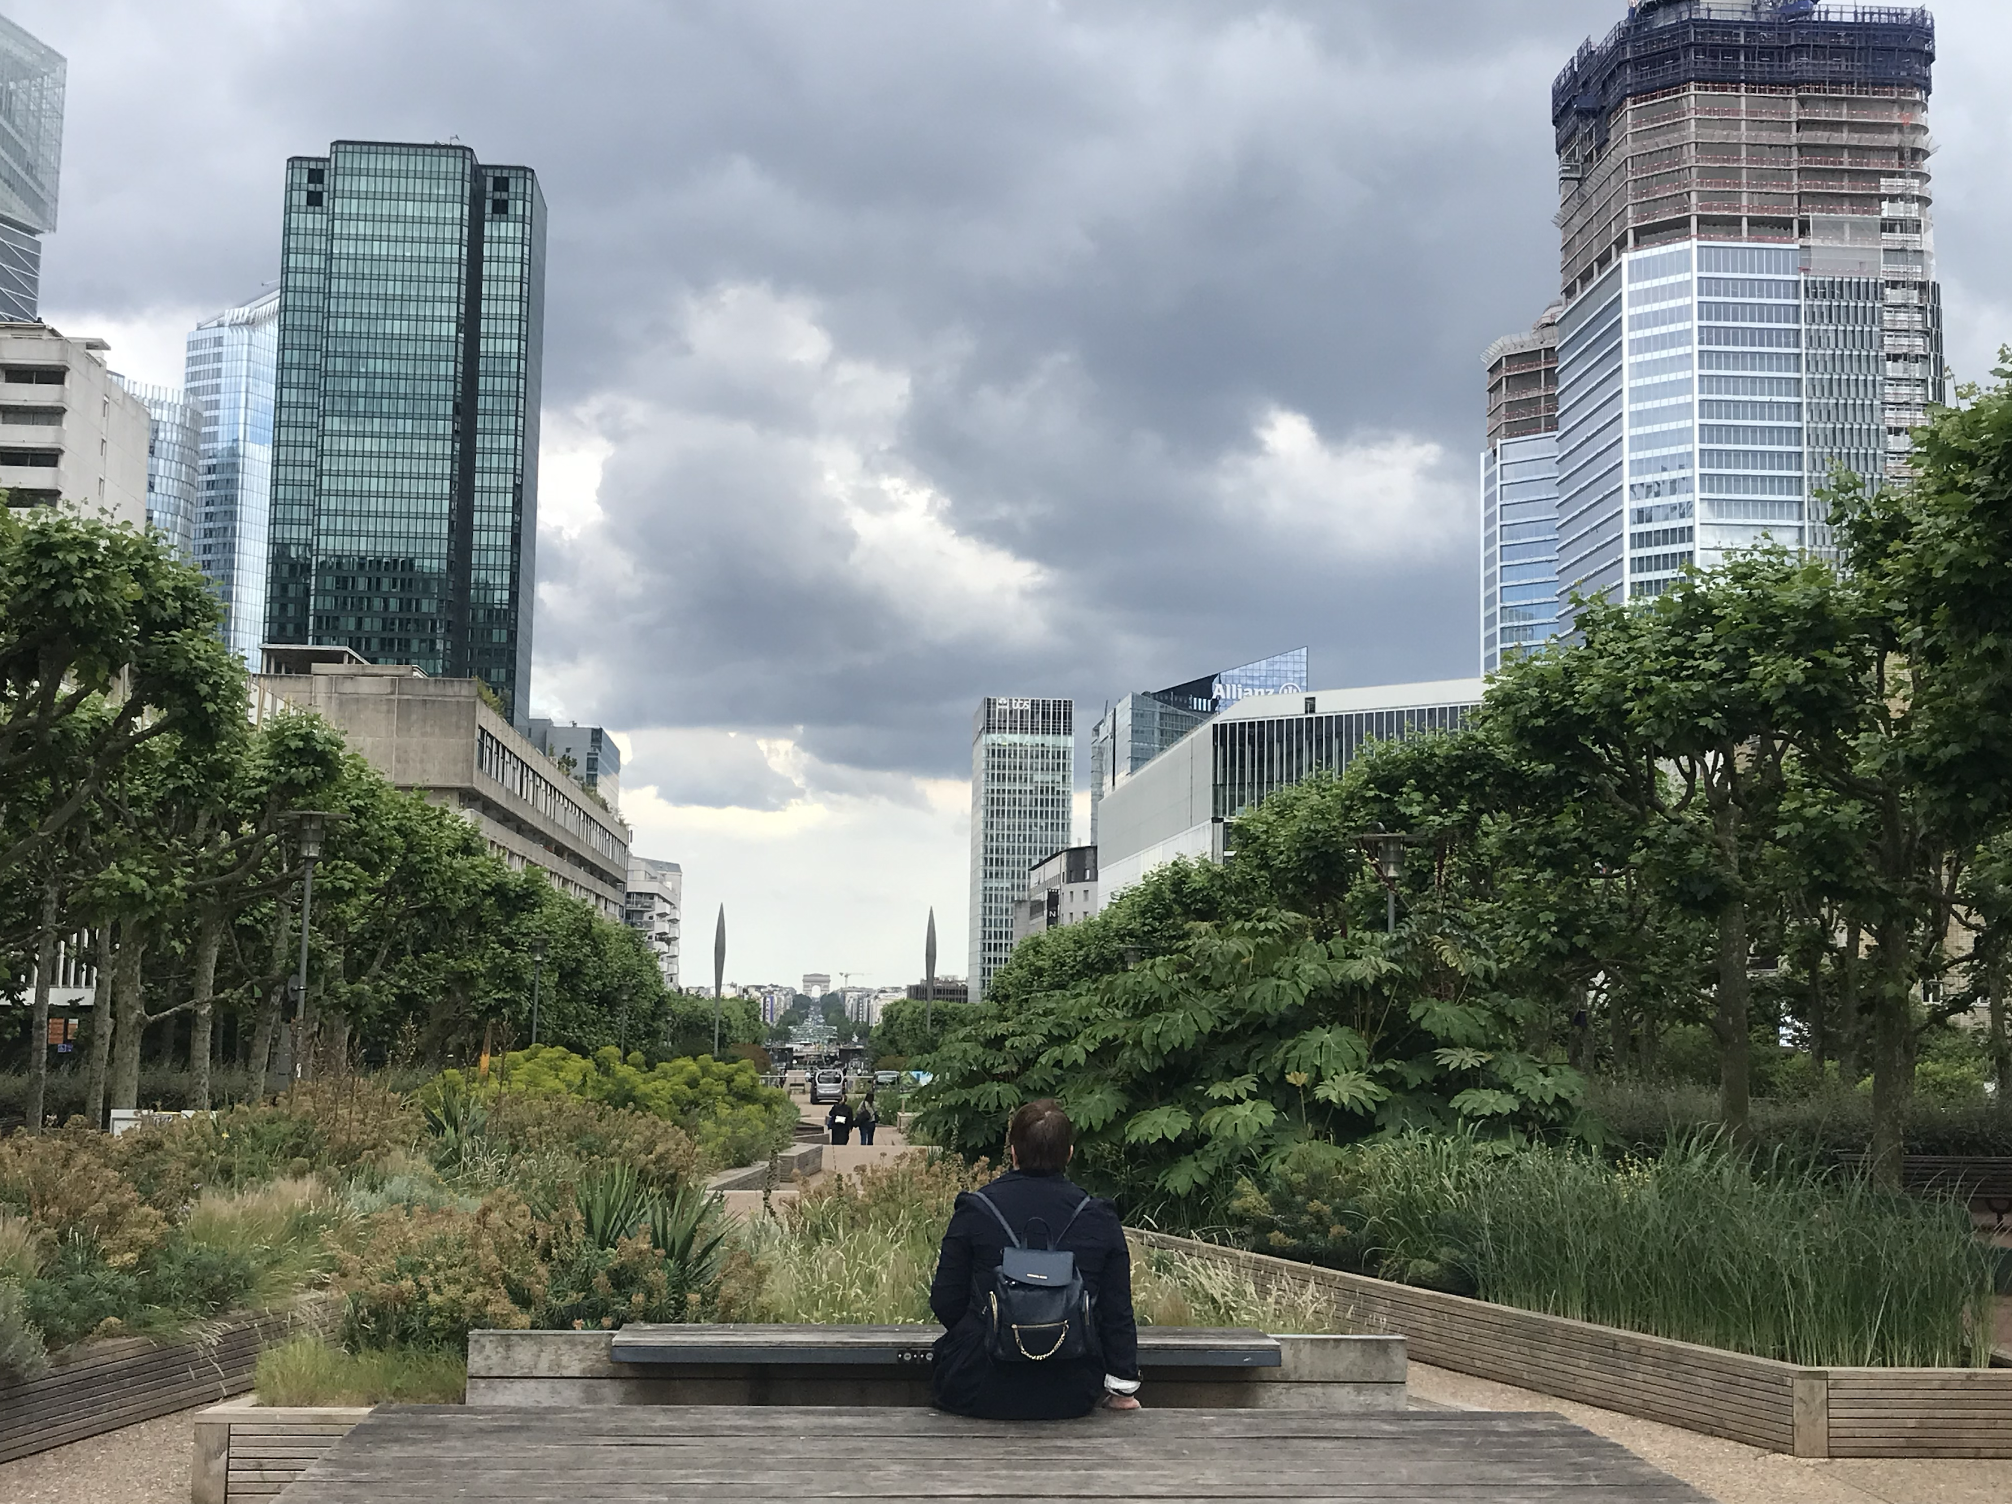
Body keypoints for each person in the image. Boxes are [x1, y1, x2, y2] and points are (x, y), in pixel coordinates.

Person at [927, 1099, 1141, 1419]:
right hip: (1070, 1391)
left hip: (977, 1384)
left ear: (1013, 1152)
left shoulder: (975, 1209)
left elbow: (945, 1301)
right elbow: (1116, 1311)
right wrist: (1122, 1390)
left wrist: (990, 1329)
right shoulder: (1099, 1216)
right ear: (1069, 1154)